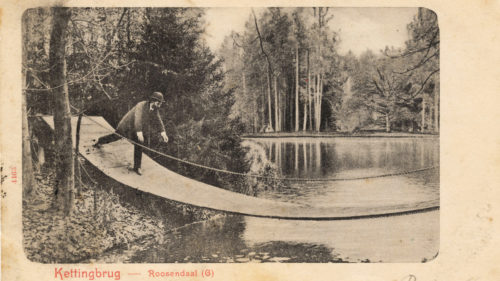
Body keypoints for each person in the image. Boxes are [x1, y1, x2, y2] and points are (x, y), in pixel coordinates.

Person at [93, 92, 169, 175]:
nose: (160, 105)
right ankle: (100, 141)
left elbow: (158, 120)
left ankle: (137, 167)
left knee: (139, 143)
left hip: (135, 129)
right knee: (115, 137)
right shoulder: (141, 105)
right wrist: (139, 132)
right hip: (126, 126)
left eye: (161, 103)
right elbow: (138, 119)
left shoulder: (155, 109)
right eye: (159, 102)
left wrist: (163, 132)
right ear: (153, 101)